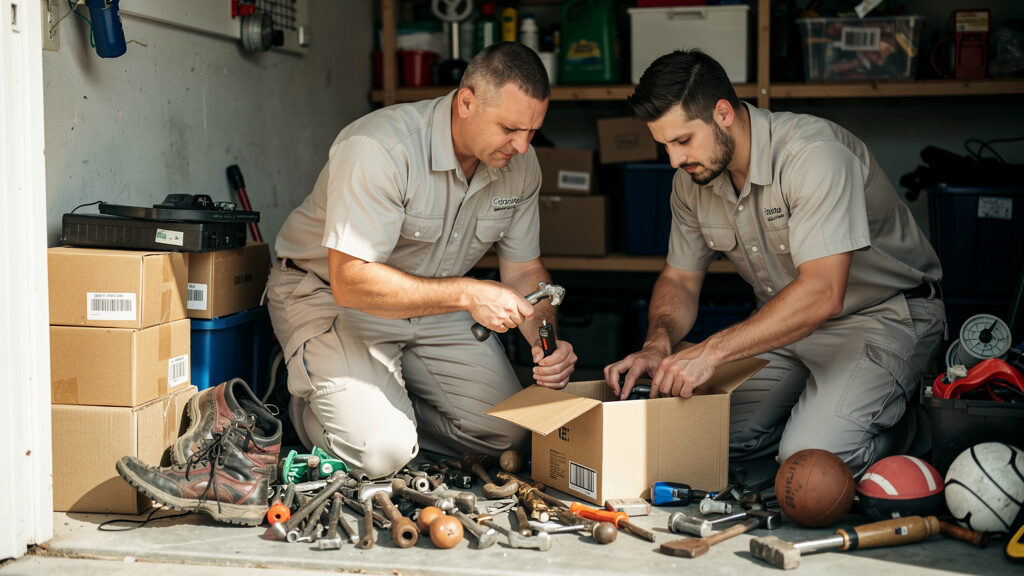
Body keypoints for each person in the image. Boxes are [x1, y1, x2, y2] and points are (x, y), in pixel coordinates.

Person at [604, 50, 945, 477]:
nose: (674, 160)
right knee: (700, 435)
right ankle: (818, 415)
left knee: (808, 463)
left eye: (683, 140)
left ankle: (909, 425)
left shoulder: (814, 155)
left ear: (723, 113)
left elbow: (822, 294)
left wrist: (711, 351)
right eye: (665, 146)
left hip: (882, 316)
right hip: (784, 328)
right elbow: (680, 280)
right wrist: (658, 343)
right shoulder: (691, 181)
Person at [266, 42, 577, 479]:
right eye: (510, 128)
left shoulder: (520, 164)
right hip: (334, 298)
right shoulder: (379, 147)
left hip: (437, 303)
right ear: (466, 102)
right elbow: (350, 281)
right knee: (380, 455)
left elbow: (525, 271)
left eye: (532, 130)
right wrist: (470, 292)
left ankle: (386, 408)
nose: (524, 147)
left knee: (512, 434)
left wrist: (544, 336)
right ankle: (306, 395)